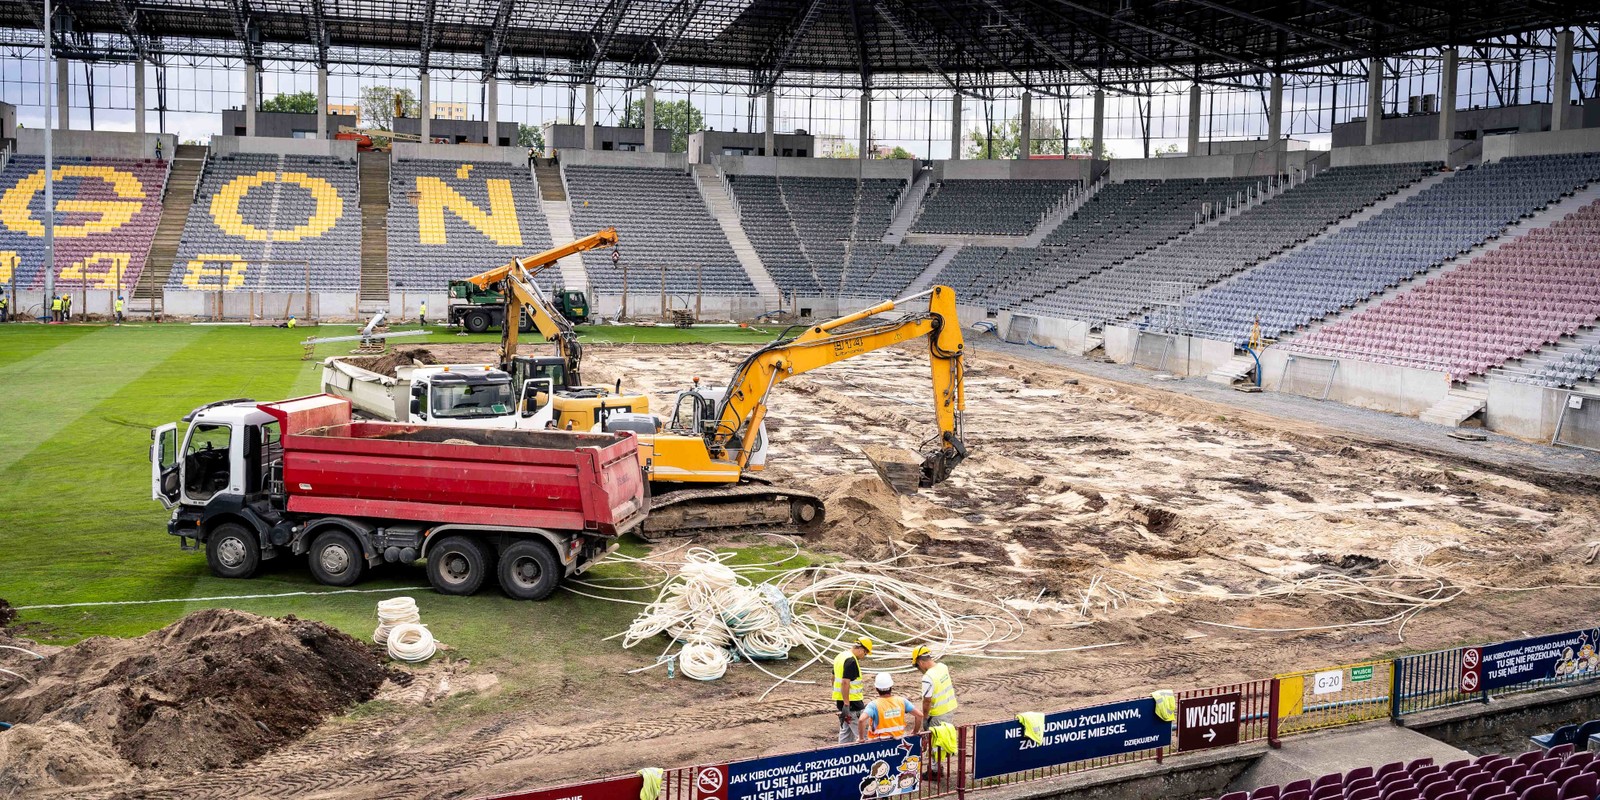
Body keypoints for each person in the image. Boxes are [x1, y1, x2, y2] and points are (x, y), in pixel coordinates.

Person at [858, 672, 921, 742]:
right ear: (891, 687)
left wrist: (861, 738)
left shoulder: (873, 705)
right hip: (899, 741)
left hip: (878, 744)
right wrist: (915, 731)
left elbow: (861, 720)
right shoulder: (901, 701)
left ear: (876, 689)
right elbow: (919, 715)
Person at [833, 637, 872, 743]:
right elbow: (845, 682)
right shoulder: (851, 661)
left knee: (845, 733)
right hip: (852, 704)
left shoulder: (840, 656)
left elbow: (833, 677)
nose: (864, 656)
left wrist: (841, 700)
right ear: (860, 649)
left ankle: (842, 755)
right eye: (865, 653)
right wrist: (846, 703)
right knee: (862, 736)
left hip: (842, 703)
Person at [912, 646, 959, 728]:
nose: (919, 669)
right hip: (950, 710)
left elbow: (927, 701)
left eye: (917, 666)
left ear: (920, 662)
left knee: (936, 739)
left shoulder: (928, 677)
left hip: (938, 716)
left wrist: (925, 718)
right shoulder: (943, 667)